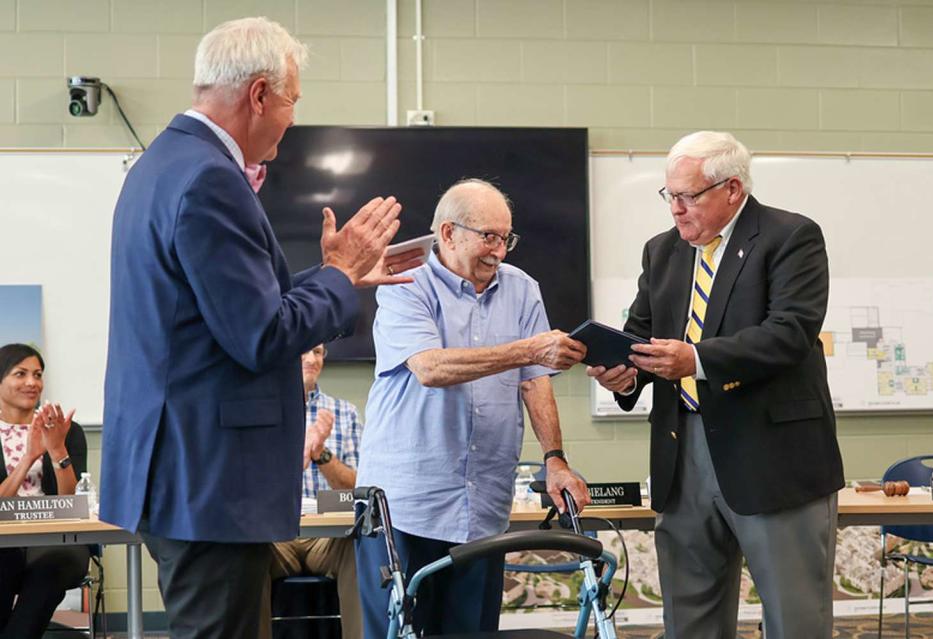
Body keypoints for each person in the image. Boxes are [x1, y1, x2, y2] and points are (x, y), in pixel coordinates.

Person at [98, 17, 418, 639]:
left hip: (180, 468)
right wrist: (337, 275)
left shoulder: (163, 164)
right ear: (260, 93)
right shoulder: (211, 179)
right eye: (294, 99)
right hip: (208, 477)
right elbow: (260, 336)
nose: (294, 118)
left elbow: (222, 309)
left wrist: (339, 277)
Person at [588, 131, 844, 638]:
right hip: (682, 456)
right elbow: (640, 336)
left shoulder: (790, 237)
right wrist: (623, 372)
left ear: (732, 189)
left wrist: (697, 359)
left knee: (795, 619)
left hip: (771, 457)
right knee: (690, 620)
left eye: (688, 196)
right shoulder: (661, 251)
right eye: (670, 196)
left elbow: (790, 334)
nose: (676, 210)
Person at [355, 178, 591, 638]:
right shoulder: (404, 283)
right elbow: (430, 368)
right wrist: (528, 350)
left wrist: (555, 459)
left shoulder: (522, 289)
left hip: (483, 506)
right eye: (488, 237)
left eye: (506, 238)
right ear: (448, 233)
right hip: (406, 504)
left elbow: (534, 380)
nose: (499, 251)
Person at [259, 343, 363, 639]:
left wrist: (321, 455)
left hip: (327, 536)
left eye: (318, 352)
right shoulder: (262, 411)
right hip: (276, 534)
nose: (312, 359)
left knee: (360, 547)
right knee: (246, 552)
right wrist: (294, 453)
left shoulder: (344, 412)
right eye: (303, 351)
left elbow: (358, 490)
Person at [0, 343, 89, 639]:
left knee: (54, 565)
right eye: (20, 373)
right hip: (3, 539)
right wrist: (28, 458)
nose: (31, 383)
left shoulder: (66, 430)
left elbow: (72, 502)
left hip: (55, 540)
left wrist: (56, 451)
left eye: (37, 374)